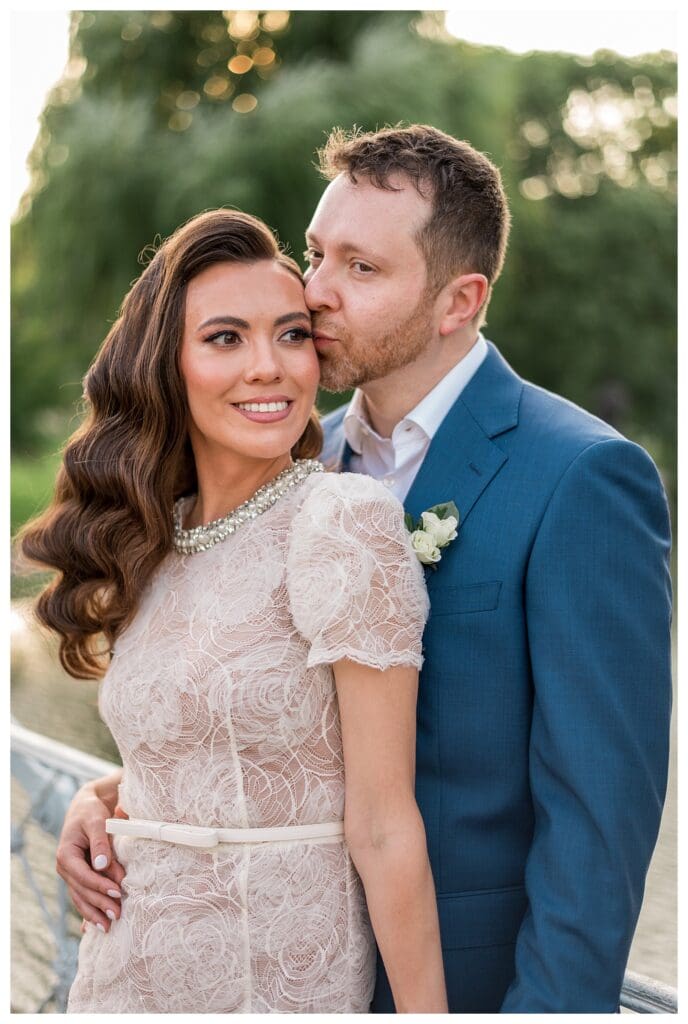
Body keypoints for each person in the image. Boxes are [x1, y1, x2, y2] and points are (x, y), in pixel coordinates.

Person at [55, 125, 673, 1012]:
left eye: (362, 269)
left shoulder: (580, 478)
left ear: (460, 300)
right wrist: (114, 798)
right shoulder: (297, 464)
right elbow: (282, 723)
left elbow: (599, 821)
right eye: (316, 252)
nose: (315, 293)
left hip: (457, 984)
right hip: (262, 961)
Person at [21, 208, 448, 1013]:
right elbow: (215, 748)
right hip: (121, 976)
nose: (270, 368)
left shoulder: (341, 521)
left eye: (292, 336)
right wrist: (106, 798)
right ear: (165, 365)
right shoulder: (155, 539)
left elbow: (384, 825)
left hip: (272, 982)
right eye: (226, 338)